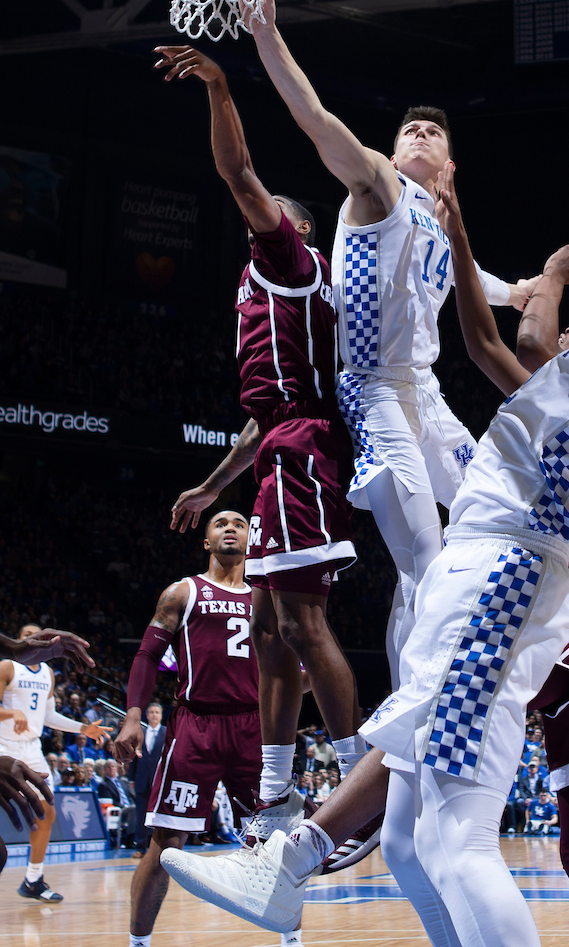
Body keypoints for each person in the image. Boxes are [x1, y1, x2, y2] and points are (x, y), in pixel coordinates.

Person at [161, 8, 569, 942]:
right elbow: (488, 337)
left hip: (505, 574)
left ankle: (291, 852)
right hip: (486, 566)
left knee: (460, 842)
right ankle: (293, 856)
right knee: (415, 840)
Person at [246, 0, 536, 685]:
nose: (419, 135)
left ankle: (481, 668)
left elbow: (491, 285)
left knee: (505, 511)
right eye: (411, 131)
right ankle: (416, 707)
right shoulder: (378, 184)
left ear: (451, 164)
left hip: (426, 397)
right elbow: (316, 119)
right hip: (373, 395)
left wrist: (534, 288)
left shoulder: (442, 226)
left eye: (433, 133)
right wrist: (265, 34)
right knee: (423, 562)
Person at [157, 45, 363, 840]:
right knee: (275, 631)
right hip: (283, 441)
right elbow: (259, 422)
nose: (259, 211)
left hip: (304, 448)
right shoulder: (261, 283)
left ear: (298, 227)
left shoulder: (290, 258)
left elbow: (238, 172)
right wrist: (215, 485)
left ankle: (358, 785)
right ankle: (277, 793)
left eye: (276, 209)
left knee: (303, 626)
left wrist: (218, 86)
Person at [112, 510, 263, 947]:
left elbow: (297, 670)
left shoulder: (267, 599)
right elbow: (146, 655)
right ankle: (138, 942)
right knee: (166, 842)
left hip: (254, 728)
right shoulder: (183, 591)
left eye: (239, 523)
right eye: (220, 523)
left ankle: (291, 937)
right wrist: (134, 715)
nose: (230, 527)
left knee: (275, 841)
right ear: (206, 541)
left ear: (251, 539)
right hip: (195, 725)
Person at [0, 624, 110, 902]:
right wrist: (11, 713)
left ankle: (33, 879)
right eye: (26, 636)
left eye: (35, 635)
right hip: (3, 747)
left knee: (47, 813)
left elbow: (48, 716)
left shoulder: (47, 673)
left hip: (31, 748)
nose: (31, 639)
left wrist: (83, 729)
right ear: (19, 641)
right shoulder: (7, 667)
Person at [128, 702, 166, 857]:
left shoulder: (167, 733)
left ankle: (159, 849)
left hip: (160, 781)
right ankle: (140, 847)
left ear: (161, 715)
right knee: (141, 814)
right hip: (142, 779)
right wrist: (131, 778)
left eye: (157, 712)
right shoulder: (140, 732)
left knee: (160, 815)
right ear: (147, 715)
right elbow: (133, 758)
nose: (154, 715)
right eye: (151, 712)